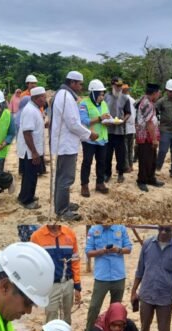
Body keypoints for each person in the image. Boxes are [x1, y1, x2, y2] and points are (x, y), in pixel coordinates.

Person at [51, 71, 98, 221]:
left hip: (65, 142)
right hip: (65, 144)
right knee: (66, 178)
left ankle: (62, 204)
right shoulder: (65, 96)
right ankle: (62, 211)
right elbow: (72, 123)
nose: (81, 86)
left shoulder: (64, 95)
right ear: (72, 83)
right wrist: (89, 134)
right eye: (80, 83)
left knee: (62, 177)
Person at [83, 224, 133, 331]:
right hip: (102, 276)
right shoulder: (94, 230)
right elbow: (88, 252)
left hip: (118, 275)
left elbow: (129, 248)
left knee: (116, 308)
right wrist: (102, 251)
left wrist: (118, 250)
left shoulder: (120, 229)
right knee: (94, 306)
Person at [30, 224, 81, 324]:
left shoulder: (70, 234)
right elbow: (33, 264)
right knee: (51, 317)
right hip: (50, 286)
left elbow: (75, 261)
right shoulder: (37, 236)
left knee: (67, 316)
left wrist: (77, 286)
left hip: (68, 284)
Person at [79, 79, 112, 197]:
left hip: (103, 139)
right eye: (100, 94)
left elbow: (107, 117)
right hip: (90, 139)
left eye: (103, 94)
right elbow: (84, 121)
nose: (102, 96)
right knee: (87, 162)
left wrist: (109, 121)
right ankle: (84, 185)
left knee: (102, 162)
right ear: (93, 93)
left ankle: (100, 183)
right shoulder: (84, 103)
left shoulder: (104, 104)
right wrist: (99, 118)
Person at [16, 86, 46, 209]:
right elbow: (27, 133)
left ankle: (24, 195)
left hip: (33, 148)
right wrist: (34, 152)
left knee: (29, 174)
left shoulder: (35, 109)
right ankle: (27, 200)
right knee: (31, 175)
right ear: (36, 98)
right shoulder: (30, 110)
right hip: (30, 150)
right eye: (43, 97)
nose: (45, 99)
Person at [135, 83, 164, 191]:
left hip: (150, 135)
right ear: (154, 93)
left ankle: (150, 178)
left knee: (152, 159)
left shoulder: (148, 101)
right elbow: (149, 123)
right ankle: (141, 180)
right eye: (159, 93)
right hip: (146, 136)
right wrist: (154, 139)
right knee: (145, 159)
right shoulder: (147, 103)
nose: (159, 95)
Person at [104, 77, 132, 182]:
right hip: (108, 130)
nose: (119, 88)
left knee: (121, 154)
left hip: (120, 131)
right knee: (107, 154)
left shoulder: (125, 98)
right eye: (117, 86)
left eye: (120, 86)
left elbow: (128, 112)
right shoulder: (106, 97)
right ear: (112, 85)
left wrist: (123, 121)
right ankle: (107, 174)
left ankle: (120, 173)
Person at [123, 84, 137, 170]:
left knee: (125, 148)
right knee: (130, 147)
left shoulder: (123, 100)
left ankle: (126, 166)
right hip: (132, 126)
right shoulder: (133, 100)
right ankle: (131, 165)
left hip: (125, 125)